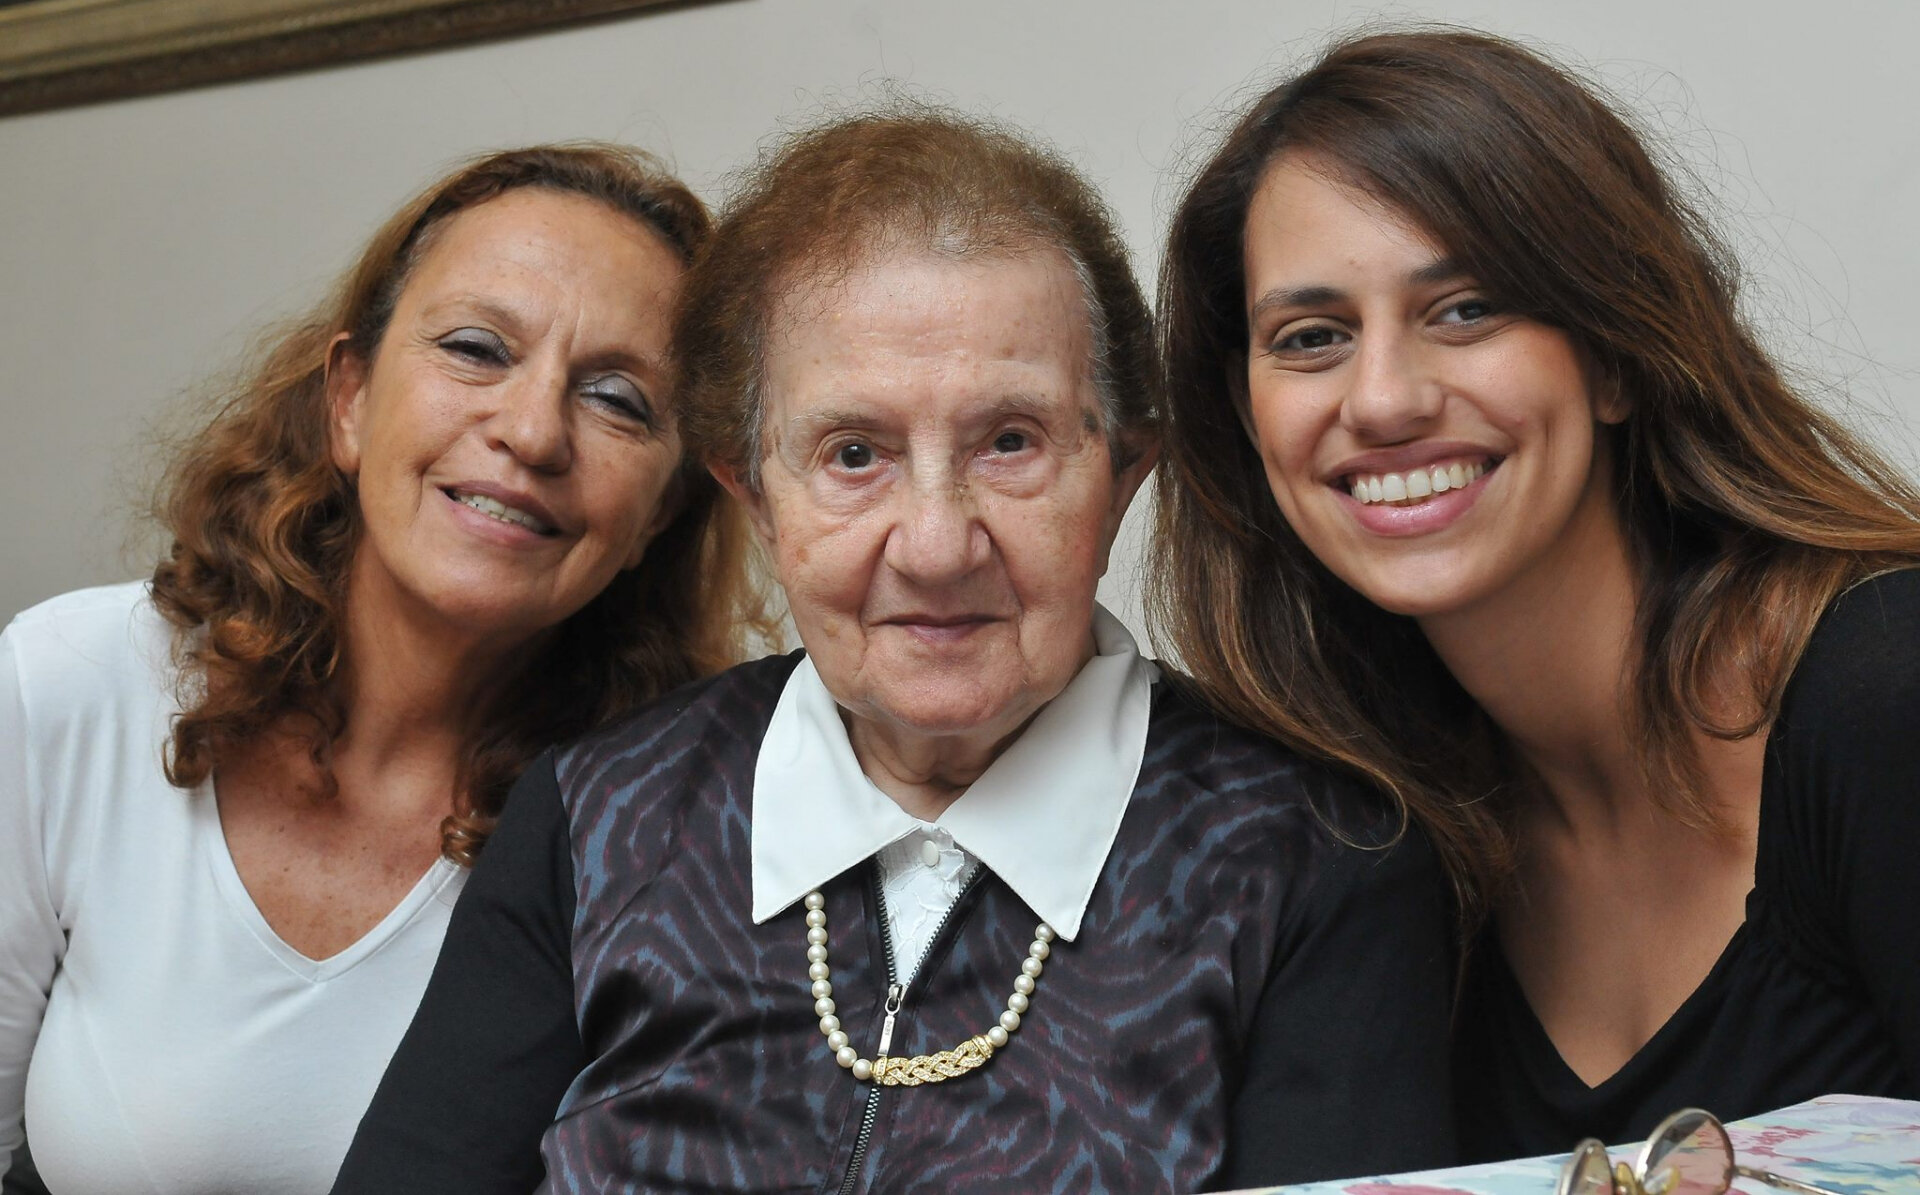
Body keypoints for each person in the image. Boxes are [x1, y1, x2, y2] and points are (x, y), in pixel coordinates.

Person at [328, 108, 1455, 1195]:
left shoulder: (1316, 862)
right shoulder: (594, 816)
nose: (934, 544)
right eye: (853, 454)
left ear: (1120, 479)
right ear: (755, 500)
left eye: (1009, 442)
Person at [1151, 28, 1920, 1163]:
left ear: (1613, 355)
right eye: (1311, 338)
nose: (1384, 400)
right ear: (1247, 412)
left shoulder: (1886, 695)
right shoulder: (1359, 833)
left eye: (1465, 310)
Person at [0, 143, 764, 1194]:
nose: (532, 431)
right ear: (350, 400)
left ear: (661, 513)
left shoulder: (682, 834)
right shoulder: (69, 684)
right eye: (476, 349)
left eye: (618, 400)